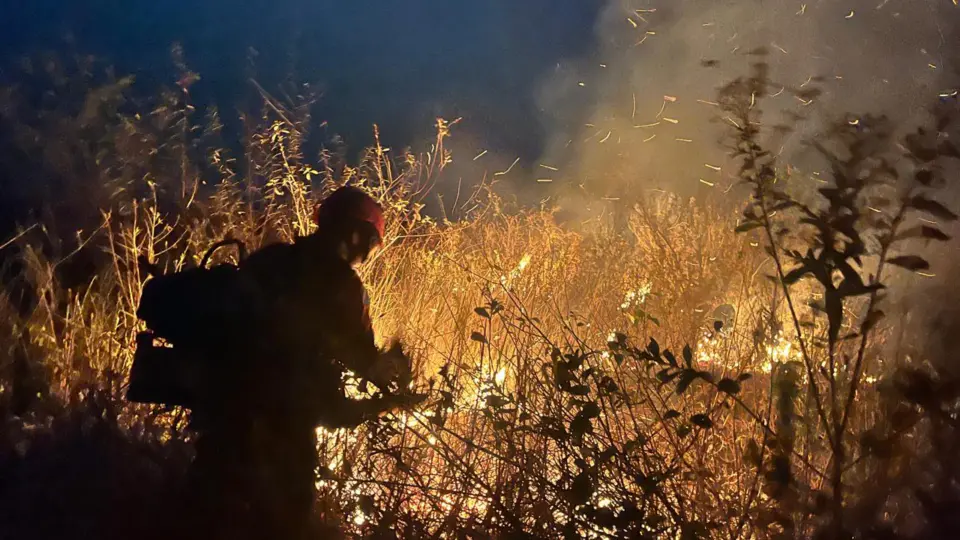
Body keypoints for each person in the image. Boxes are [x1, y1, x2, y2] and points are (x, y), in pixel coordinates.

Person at [184, 186, 420, 540]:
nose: (370, 255)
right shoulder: (341, 284)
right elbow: (361, 359)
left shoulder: (271, 259)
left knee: (203, 516)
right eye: (372, 243)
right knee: (282, 524)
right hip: (283, 429)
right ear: (355, 234)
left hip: (222, 412)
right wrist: (392, 375)